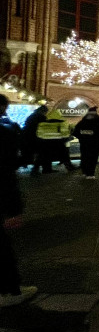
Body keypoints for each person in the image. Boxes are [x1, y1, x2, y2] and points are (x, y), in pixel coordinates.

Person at [0, 94, 36, 306]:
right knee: (2, 247)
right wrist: (13, 210)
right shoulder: (4, 133)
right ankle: (10, 291)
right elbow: (5, 173)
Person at [35, 107, 75, 173]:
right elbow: (65, 134)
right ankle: (69, 167)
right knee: (64, 154)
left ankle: (45, 169)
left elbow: (39, 134)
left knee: (45, 156)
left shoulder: (42, 124)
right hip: (58, 142)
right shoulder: (61, 123)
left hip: (45, 143)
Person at [73, 106, 99, 178]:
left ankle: (84, 172)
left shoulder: (82, 122)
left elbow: (75, 132)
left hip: (84, 143)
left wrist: (82, 137)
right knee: (93, 158)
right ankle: (90, 174)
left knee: (84, 157)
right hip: (95, 143)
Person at [21, 103, 47, 174]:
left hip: (27, 136)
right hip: (36, 137)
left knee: (34, 152)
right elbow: (44, 127)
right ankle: (37, 169)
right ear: (43, 111)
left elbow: (26, 123)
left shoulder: (31, 115)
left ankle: (30, 165)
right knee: (41, 153)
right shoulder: (41, 117)